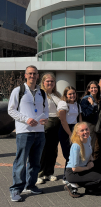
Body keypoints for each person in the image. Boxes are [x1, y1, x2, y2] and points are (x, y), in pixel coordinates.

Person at [8, 65, 49, 202]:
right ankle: (15, 190)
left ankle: (30, 185)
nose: (32, 76)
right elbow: (11, 110)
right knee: (20, 162)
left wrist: (45, 119)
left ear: (38, 75)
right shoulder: (18, 91)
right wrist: (26, 119)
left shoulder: (41, 93)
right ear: (25, 75)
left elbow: (46, 109)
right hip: (24, 132)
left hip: (39, 132)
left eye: (35, 74)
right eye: (30, 73)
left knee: (35, 162)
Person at [64, 122, 101, 198]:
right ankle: (73, 185)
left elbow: (89, 152)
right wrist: (88, 167)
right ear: (77, 133)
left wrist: (91, 161)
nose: (85, 132)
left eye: (86, 129)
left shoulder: (88, 138)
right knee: (99, 178)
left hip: (84, 167)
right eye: (82, 130)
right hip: (74, 173)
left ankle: (90, 187)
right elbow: (74, 168)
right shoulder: (76, 146)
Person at [37, 73, 61, 185]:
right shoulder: (40, 94)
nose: (50, 83)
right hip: (46, 123)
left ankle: (49, 172)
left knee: (53, 150)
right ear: (43, 82)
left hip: (57, 123)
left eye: (52, 81)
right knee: (43, 150)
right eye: (48, 81)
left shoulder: (58, 94)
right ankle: (40, 174)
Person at [58, 86, 82, 183]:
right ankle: (66, 177)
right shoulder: (63, 104)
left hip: (75, 129)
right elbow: (63, 121)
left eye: (74, 93)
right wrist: (70, 134)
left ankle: (73, 175)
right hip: (65, 130)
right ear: (66, 95)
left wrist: (80, 131)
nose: (72, 95)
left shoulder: (77, 104)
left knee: (75, 153)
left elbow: (79, 119)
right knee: (68, 155)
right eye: (70, 94)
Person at [80, 81, 101, 159]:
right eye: (92, 88)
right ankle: (85, 164)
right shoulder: (85, 99)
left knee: (93, 146)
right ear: (88, 89)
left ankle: (90, 163)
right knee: (88, 145)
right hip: (88, 125)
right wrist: (92, 105)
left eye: (95, 87)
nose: (94, 89)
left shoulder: (98, 99)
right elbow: (85, 114)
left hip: (95, 125)